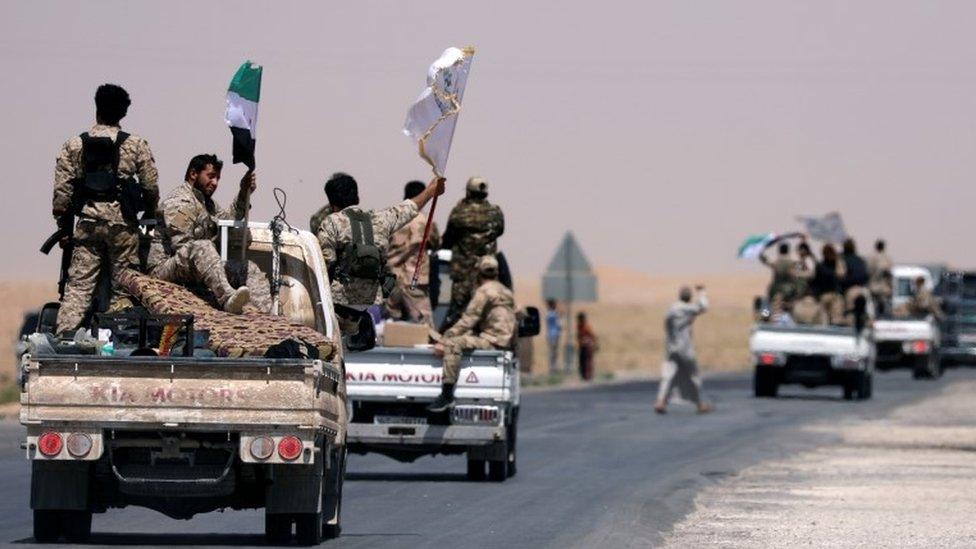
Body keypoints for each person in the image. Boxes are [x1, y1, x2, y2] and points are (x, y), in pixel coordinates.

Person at [53, 84, 160, 335]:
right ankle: (116, 338)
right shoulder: (136, 145)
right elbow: (151, 187)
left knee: (79, 287)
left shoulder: (74, 145)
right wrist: (148, 213)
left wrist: (64, 228)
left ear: (97, 107)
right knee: (122, 287)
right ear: (123, 113)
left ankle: (64, 338)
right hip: (123, 228)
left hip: (88, 223)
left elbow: (61, 197)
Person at [317, 173, 444, 335]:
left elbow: (326, 264)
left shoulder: (330, 223)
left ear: (331, 203)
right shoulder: (380, 219)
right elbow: (410, 208)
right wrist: (431, 190)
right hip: (371, 301)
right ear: (357, 197)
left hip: (340, 304)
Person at [146, 154, 268, 313]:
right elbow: (183, 247)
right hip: (164, 269)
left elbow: (228, 220)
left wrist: (244, 193)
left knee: (247, 268)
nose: (215, 183)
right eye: (211, 176)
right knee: (201, 246)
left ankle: (264, 313)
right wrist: (212, 266)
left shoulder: (206, 202)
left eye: (217, 178)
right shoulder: (179, 201)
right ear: (193, 174)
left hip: (197, 263)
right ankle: (227, 298)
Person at [428, 255, 516, 412]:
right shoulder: (506, 291)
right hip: (503, 342)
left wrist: (445, 337)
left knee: (454, 343)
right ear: (496, 273)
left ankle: (447, 394)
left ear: (478, 273)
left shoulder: (484, 291)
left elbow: (468, 320)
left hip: (491, 341)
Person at [439, 176, 504, 331]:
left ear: (468, 192)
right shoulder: (495, 213)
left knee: (458, 314)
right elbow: (500, 231)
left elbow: (448, 239)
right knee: (488, 312)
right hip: (487, 275)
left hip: (463, 275)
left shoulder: (460, 213)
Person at [384, 180, 441, 324]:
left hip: (391, 280)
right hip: (413, 281)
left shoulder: (393, 218)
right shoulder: (425, 221)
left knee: (389, 327)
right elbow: (436, 243)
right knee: (425, 329)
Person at [655, 285, 712, 414]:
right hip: (686, 348)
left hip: (672, 347)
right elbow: (703, 307)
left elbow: (666, 324)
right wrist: (702, 292)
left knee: (667, 375)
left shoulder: (672, 309)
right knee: (694, 375)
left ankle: (660, 401)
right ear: (689, 297)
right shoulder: (688, 309)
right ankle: (699, 404)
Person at [810, 244, 847, 325]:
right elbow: (842, 275)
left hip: (823, 296)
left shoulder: (820, 266)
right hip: (835, 295)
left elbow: (814, 282)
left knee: (824, 322)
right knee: (836, 321)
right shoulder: (836, 265)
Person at [759, 242, 796, 312]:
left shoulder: (776, 262)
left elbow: (766, 261)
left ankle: (765, 315)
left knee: (767, 302)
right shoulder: (791, 263)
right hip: (788, 289)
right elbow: (793, 275)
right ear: (788, 250)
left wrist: (761, 253)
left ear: (779, 251)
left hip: (775, 288)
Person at [867, 239, 893, 316]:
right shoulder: (887, 258)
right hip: (883, 288)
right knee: (882, 307)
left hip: (874, 287)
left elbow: (868, 271)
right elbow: (890, 273)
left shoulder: (871, 257)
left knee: (874, 306)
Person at [577, 311, 598, 381]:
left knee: (587, 361)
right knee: (582, 361)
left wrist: (594, 344)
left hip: (588, 346)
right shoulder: (579, 327)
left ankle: (589, 376)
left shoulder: (587, 327)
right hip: (582, 346)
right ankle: (584, 376)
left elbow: (593, 336)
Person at [545, 299, 562, 374]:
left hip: (550, 334)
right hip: (554, 335)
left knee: (552, 352)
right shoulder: (554, 314)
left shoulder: (548, 314)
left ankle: (552, 367)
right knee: (554, 352)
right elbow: (559, 325)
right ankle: (553, 367)